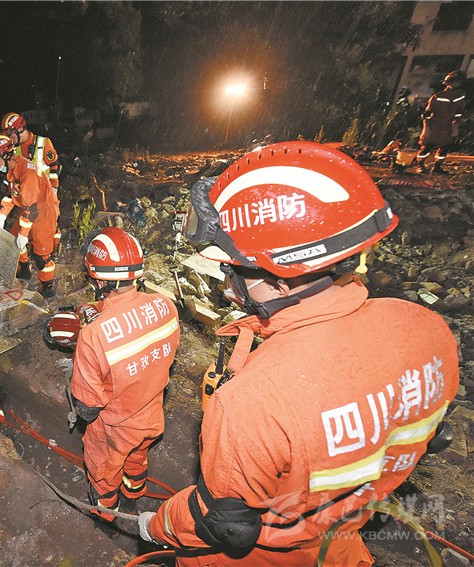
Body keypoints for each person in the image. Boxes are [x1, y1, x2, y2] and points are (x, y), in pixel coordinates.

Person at [138, 141, 459, 565]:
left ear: (279, 281)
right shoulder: (427, 330)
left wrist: (156, 526)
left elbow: (221, 523)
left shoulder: (253, 403)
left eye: (231, 268)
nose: (225, 279)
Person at [70, 226, 181, 526]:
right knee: (137, 461)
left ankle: (107, 520)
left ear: (98, 279)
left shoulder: (93, 335)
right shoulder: (166, 306)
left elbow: (87, 408)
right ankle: (132, 499)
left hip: (114, 430)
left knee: (103, 477)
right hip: (150, 418)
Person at [0, 132, 60, 298]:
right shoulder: (14, 168)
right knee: (13, 238)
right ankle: (24, 269)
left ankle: (47, 287)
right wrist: (2, 215)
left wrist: (24, 233)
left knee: (42, 256)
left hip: (44, 213)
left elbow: (32, 210)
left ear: (6, 155)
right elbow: (12, 195)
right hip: (31, 209)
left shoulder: (28, 175)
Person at [1, 112, 63, 253]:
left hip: (46, 197)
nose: (9, 139)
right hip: (28, 198)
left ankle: (52, 251)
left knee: (50, 229)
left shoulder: (43, 143)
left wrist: (53, 190)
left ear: (20, 129)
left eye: (10, 134)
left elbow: (54, 167)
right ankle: (24, 259)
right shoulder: (13, 149)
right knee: (20, 232)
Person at [415, 70, 466, 174]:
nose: (458, 83)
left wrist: (456, 124)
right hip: (434, 126)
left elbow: (458, 112)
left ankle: (437, 167)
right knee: (426, 147)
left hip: (446, 126)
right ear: (449, 82)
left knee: (444, 148)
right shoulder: (437, 96)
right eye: (456, 81)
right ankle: (420, 165)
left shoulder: (460, 96)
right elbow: (427, 114)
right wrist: (427, 128)